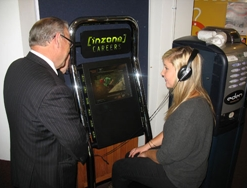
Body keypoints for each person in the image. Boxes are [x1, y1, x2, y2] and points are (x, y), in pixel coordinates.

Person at [111, 46, 215, 188]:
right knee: (132, 155)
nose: (162, 73)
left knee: (119, 167)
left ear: (183, 73)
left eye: (166, 68)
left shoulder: (187, 113)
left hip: (177, 178)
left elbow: (162, 157)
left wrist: (147, 153)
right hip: (190, 171)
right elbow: (172, 134)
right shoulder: (199, 98)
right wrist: (146, 146)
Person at [4, 17, 89, 188]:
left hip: (24, 167)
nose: (70, 50)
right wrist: (85, 148)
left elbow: (39, 109)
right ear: (58, 39)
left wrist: (59, 71)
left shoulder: (16, 67)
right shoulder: (53, 90)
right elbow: (76, 141)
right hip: (48, 176)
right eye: (70, 44)